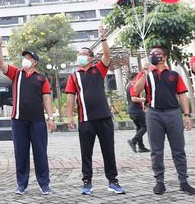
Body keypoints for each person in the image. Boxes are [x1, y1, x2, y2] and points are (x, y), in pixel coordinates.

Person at [65, 26, 125, 195]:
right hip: (85, 120)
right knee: (86, 152)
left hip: (104, 118)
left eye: (84, 54)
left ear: (91, 58)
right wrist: (69, 117)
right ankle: (87, 182)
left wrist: (103, 38)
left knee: (108, 150)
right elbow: (70, 97)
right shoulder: (73, 76)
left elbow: (107, 56)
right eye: (79, 54)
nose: (81, 56)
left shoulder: (98, 69)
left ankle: (113, 181)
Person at [0, 36, 55, 195]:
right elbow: (1, 64)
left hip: (37, 121)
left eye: (29, 58)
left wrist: (51, 118)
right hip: (18, 121)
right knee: (20, 153)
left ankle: (44, 184)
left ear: (35, 62)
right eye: (24, 57)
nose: (25, 60)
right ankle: (22, 184)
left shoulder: (41, 77)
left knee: (40, 153)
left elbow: (47, 98)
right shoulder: (16, 73)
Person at [134, 46, 195, 195]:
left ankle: (183, 181)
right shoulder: (147, 74)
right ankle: (159, 182)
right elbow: (136, 90)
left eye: (158, 53)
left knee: (178, 150)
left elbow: (181, 95)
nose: (154, 55)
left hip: (173, 113)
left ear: (165, 57)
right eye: (152, 54)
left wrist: (187, 115)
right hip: (154, 114)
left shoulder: (173, 75)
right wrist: (145, 73)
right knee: (156, 150)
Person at [125, 72, 150, 153]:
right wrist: (146, 100)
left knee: (139, 128)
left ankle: (141, 147)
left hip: (132, 111)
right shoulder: (132, 86)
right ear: (134, 78)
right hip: (136, 110)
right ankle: (133, 141)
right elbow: (134, 99)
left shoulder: (128, 85)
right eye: (138, 78)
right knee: (145, 126)